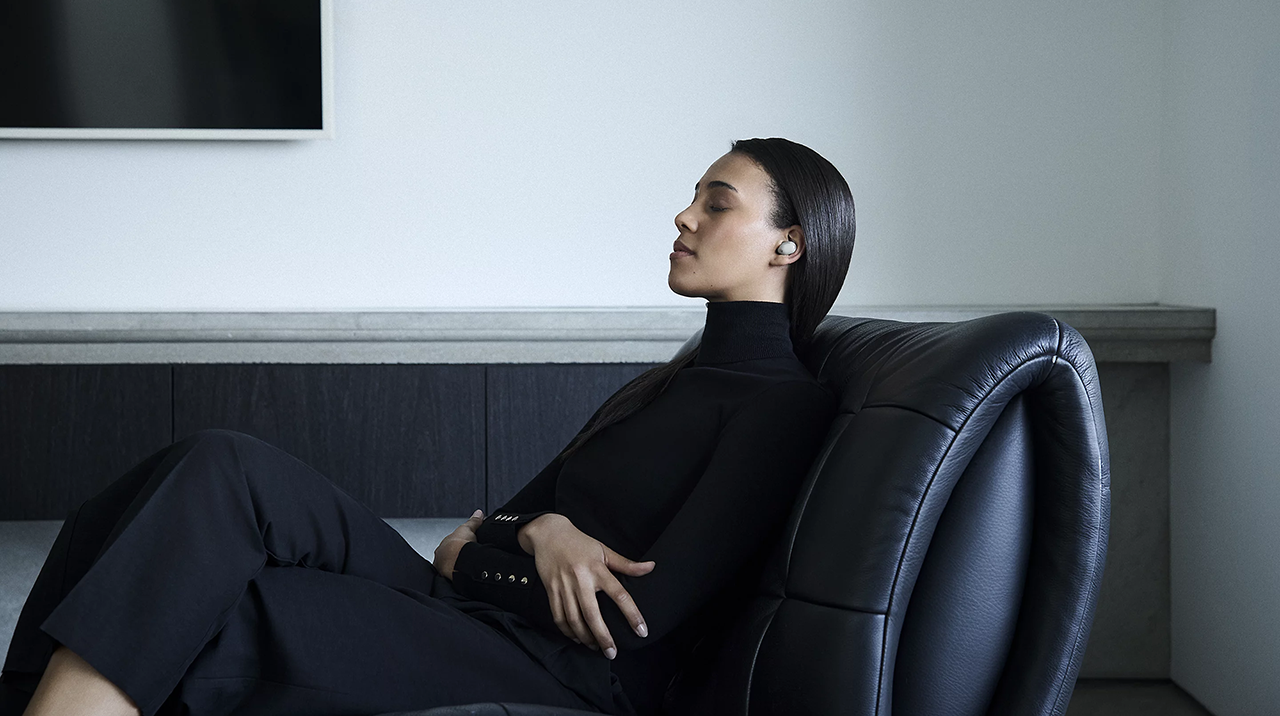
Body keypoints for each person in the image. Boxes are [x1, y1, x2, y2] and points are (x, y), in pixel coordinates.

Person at [0, 137, 855, 716]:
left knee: (211, 596)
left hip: (563, 671)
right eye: (693, 198)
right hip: (475, 611)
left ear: (789, 244)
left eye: (716, 204)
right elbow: (501, 519)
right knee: (206, 470)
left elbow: (632, 616)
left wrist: (479, 558)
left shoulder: (783, 406)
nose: (684, 216)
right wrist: (545, 532)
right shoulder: (666, 382)